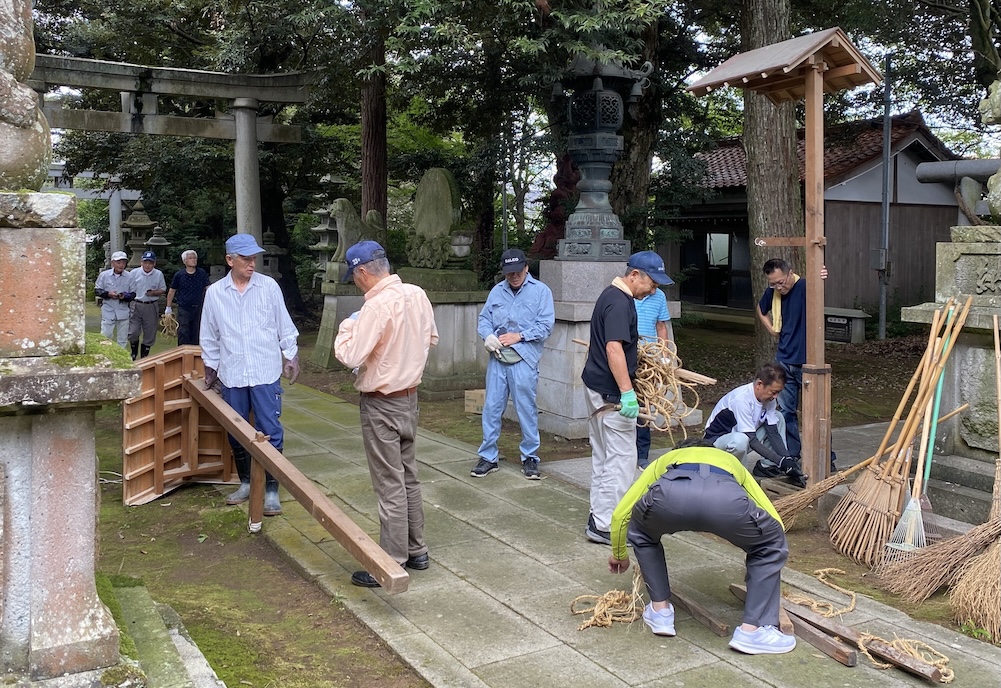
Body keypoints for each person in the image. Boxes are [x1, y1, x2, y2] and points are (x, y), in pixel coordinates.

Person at [606, 439, 796, 655]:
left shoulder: (665, 460)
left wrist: (619, 553)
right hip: (726, 500)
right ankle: (753, 631)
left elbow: (621, 513)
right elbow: (771, 516)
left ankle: (660, 613)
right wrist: (769, 553)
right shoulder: (729, 460)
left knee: (642, 533)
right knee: (770, 544)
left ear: (679, 451)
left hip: (668, 499)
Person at [334, 240, 438, 588]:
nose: (356, 283)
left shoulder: (376, 307)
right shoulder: (417, 294)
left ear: (362, 271)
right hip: (410, 397)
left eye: (355, 277)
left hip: (382, 402)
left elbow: (350, 355)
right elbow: (431, 338)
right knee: (408, 476)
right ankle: (417, 549)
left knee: (389, 483)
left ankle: (392, 560)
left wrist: (349, 325)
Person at [200, 233, 300, 518]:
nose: (252, 263)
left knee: (270, 427)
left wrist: (291, 355)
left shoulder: (268, 287)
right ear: (229, 260)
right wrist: (211, 365)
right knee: (236, 429)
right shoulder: (216, 293)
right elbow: (209, 335)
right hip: (232, 373)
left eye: (254, 257)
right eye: (245, 258)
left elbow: (285, 325)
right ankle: (245, 481)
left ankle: (271, 489)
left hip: (265, 370)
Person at [582, 251, 674, 546]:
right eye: (652, 283)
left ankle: (598, 518)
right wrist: (627, 392)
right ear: (634, 275)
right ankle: (608, 524)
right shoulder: (620, 303)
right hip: (611, 394)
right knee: (622, 459)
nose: (654, 290)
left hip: (596, 386)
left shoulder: (610, 296)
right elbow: (613, 349)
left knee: (603, 457)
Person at [471, 248, 555, 480]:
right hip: (498, 358)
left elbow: (546, 325)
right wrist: (487, 336)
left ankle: (530, 457)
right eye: (509, 273)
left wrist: (520, 336)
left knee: (526, 409)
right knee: (491, 408)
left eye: (517, 272)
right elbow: (484, 319)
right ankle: (488, 456)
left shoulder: (541, 292)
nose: (514, 277)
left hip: (524, 358)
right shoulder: (497, 291)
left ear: (526, 268)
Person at [756, 258, 835, 471]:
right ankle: (792, 454)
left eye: (781, 282)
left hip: (808, 359)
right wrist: (772, 329)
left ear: (790, 273)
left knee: (817, 411)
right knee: (786, 412)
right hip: (784, 359)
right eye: (773, 284)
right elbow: (761, 309)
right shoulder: (772, 293)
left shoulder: (804, 287)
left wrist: (822, 275)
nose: (778, 287)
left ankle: (827, 457)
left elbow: (819, 283)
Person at [703, 363, 807, 488]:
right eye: (773, 392)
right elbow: (751, 439)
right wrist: (780, 460)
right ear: (759, 384)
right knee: (741, 440)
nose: (776, 397)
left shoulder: (768, 399)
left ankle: (767, 467)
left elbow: (773, 432)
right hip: (715, 445)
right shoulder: (741, 399)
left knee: (779, 418)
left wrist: (787, 460)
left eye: (778, 392)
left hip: (741, 441)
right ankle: (738, 479)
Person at [634, 278, 674, 469]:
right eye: (653, 285)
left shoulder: (659, 297)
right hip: (625, 356)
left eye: (657, 287)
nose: (653, 290)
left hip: (648, 360)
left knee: (644, 407)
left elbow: (661, 327)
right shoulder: (624, 296)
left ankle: (642, 454)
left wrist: (664, 356)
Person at [127, 250, 167, 360]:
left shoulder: (158, 274)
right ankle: (133, 353)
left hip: (151, 304)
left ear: (154, 263)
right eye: (145, 262)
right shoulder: (134, 273)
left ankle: (144, 356)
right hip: (136, 304)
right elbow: (127, 288)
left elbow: (163, 289)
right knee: (133, 331)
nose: (147, 265)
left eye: (150, 263)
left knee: (150, 332)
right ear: (141, 262)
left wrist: (154, 292)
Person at [165, 249, 211, 346]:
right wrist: (168, 307)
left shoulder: (202, 273)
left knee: (196, 332)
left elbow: (208, 288)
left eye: (194, 258)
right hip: (184, 308)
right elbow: (172, 290)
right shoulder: (179, 275)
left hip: (198, 307)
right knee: (183, 331)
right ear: (184, 261)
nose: (193, 260)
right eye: (190, 258)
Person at [94, 250, 134, 348]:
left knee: (122, 339)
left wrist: (124, 296)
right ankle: (104, 356)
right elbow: (97, 290)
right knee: (106, 335)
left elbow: (133, 294)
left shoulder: (129, 276)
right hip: (108, 309)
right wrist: (108, 294)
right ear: (112, 263)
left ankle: (121, 359)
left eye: (123, 262)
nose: (121, 265)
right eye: (118, 262)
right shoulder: (104, 275)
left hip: (123, 311)